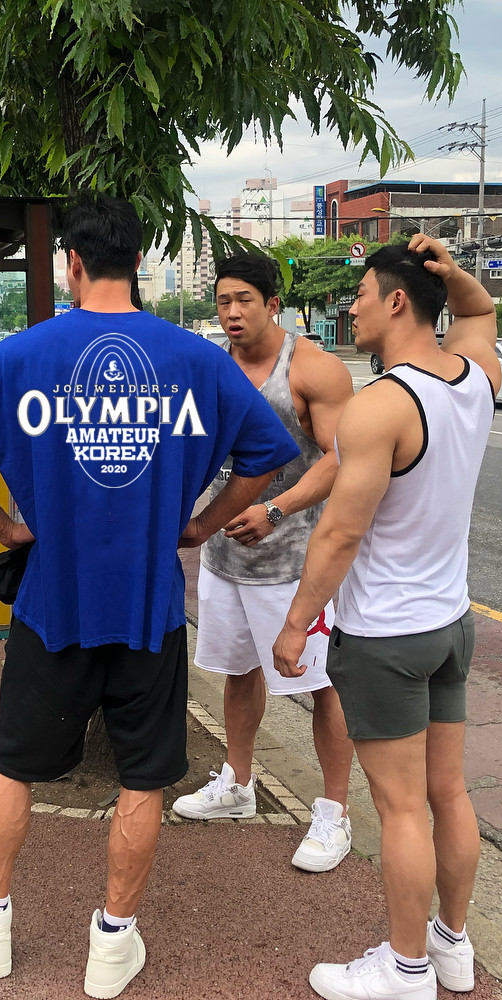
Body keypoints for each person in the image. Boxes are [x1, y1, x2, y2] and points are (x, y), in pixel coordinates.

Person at [0, 194, 298, 998]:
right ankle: (113, 945)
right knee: (143, 775)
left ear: (73, 265)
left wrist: (4, 527)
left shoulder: (21, 356)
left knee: (12, 764)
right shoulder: (199, 362)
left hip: (51, 603)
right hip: (149, 608)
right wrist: (202, 522)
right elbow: (266, 455)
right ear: (137, 260)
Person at [272, 235, 500, 999]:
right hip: (450, 624)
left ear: (397, 300)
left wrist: (297, 620)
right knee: (448, 794)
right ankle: (451, 948)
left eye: (362, 293)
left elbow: (340, 532)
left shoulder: (381, 405)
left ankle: (405, 973)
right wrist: (455, 276)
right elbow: (480, 311)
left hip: (386, 635)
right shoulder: (475, 378)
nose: (352, 306)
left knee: (401, 808)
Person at [170, 252, 358, 875]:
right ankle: (239, 783)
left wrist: (274, 510)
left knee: (321, 685)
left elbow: (339, 459)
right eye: (223, 301)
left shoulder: (313, 369)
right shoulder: (213, 369)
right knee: (238, 671)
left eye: (244, 300)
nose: (231, 313)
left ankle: (334, 812)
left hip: (295, 562)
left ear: (273, 303)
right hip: (225, 556)